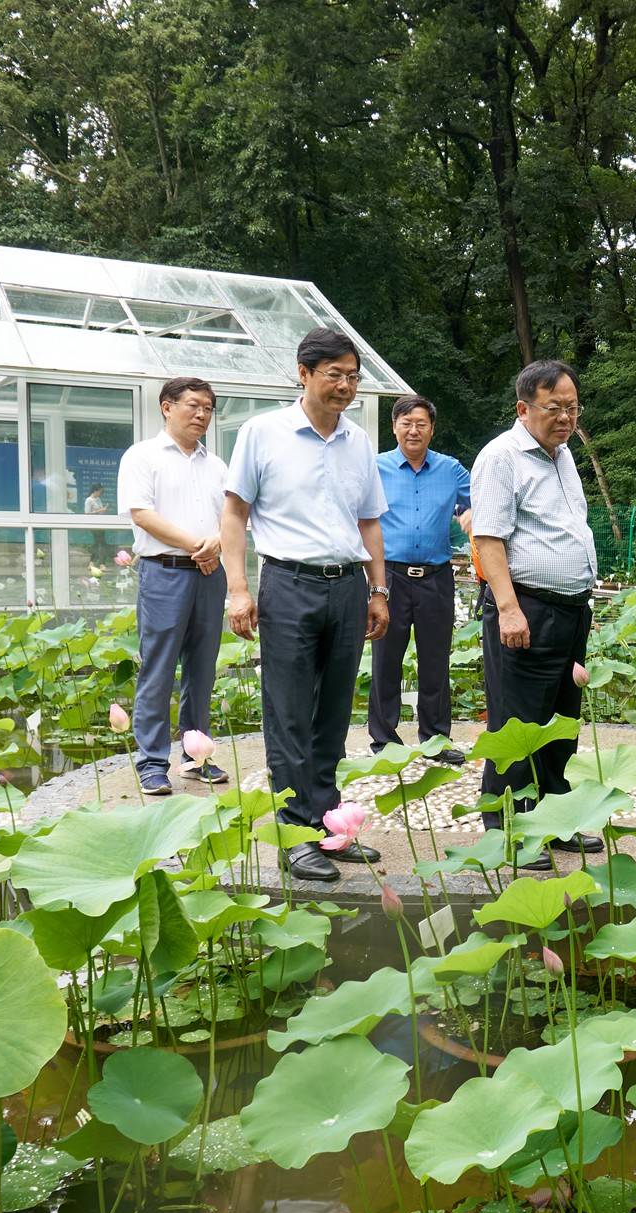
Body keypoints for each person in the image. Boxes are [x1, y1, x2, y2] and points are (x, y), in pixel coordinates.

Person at [220, 328, 391, 882]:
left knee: (333, 711)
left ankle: (328, 823)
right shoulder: (262, 433)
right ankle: (295, 834)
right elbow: (234, 514)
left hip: (347, 587)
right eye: (334, 375)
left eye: (352, 377)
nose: (345, 386)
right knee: (289, 711)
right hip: (288, 583)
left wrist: (378, 589)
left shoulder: (358, 441)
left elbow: (369, 521)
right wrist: (238, 589)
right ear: (303, 373)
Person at [470, 359, 603, 868]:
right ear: (523, 409)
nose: (566, 417)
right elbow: (488, 538)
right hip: (526, 607)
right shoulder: (501, 457)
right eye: (554, 408)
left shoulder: (563, 455)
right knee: (518, 724)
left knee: (560, 720)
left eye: (572, 407)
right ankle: (512, 829)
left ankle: (554, 818)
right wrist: (508, 608)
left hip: (569, 609)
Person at [116, 377, 230, 795]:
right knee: (159, 667)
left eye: (208, 408)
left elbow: (233, 518)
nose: (201, 414)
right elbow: (142, 514)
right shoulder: (143, 456)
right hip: (164, 572)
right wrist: (199, 545)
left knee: (202, 668)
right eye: (193, 405)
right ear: (167, 407)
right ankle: (151, 762)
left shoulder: (216, 466)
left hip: (210, 574)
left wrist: (216, 544)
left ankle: (196, 757)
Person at [370, 396, 472, 765]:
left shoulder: (450, 469)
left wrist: (469, 512)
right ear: (394, 426)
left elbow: (482, 500)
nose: (414, 430)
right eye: (406, 423)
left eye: (421, 424)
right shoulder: (375, 467)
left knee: (435, 660)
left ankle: (436, 739)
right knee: (385, 659)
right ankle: (384, 740)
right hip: (389, 577)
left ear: (432, 429)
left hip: (436, 578)